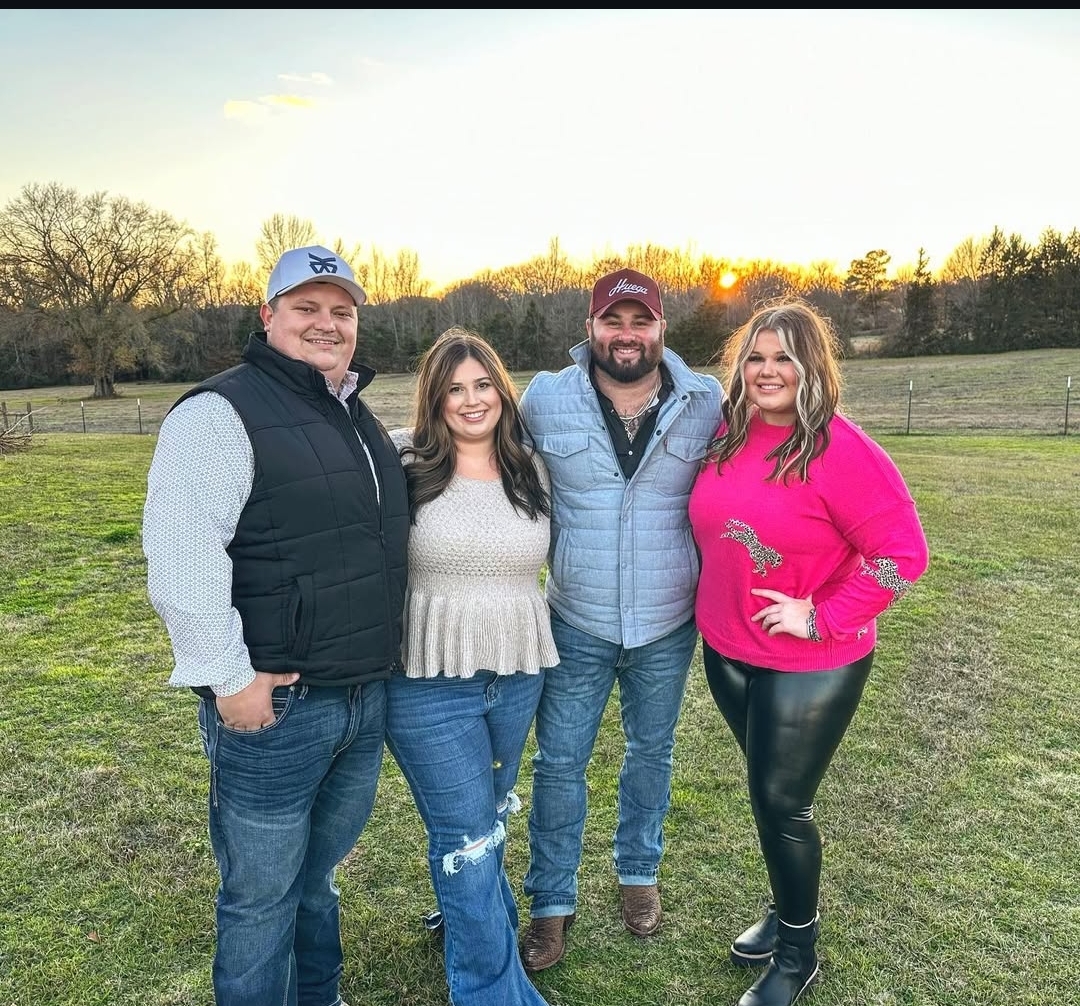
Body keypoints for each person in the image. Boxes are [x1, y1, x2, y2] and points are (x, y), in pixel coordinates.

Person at [142, 245, 409, 1006]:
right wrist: (229, 680)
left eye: (341, 311)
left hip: (360, 697)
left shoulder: (352, 413)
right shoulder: (219, 412)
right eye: (306, 307)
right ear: (268, 315)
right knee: (261, 899)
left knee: (316, 881)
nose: (327, 323)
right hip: (278, 708)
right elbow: (181, 552)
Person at [688, 301, 930, 1006]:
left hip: (810, 665)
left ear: (812, 367)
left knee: (781, 802)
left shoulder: (842, 451)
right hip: (727, 650)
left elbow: (904, 557)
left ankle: (798, 955)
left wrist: (821, 616)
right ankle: (787, 908)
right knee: (770, 796)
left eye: (785, 359)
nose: (768, 372)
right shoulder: (728, 433)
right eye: (756, 358)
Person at [517, 267, 723, 971]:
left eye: (641, 321)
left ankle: (639, 872)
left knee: (652, 752)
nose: (627, 334)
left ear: (662, 328)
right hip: (576, 619)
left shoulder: (706, 401)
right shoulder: (546, 399)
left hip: (667, 622)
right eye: (613, 320)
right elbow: (478, 447)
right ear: (591, 328)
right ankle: (551, 901)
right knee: (559, 763)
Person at [386, 327, 558, 1006]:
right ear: (434, 400)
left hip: (516, 672)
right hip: (427, 681)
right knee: (466, 837)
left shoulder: (532, 468)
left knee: (488, 814)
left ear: (503, 392)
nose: (471, 399)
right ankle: (490, 991)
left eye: (483, 384)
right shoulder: (402, 460)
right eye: (454, 389)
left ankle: (470, 917)